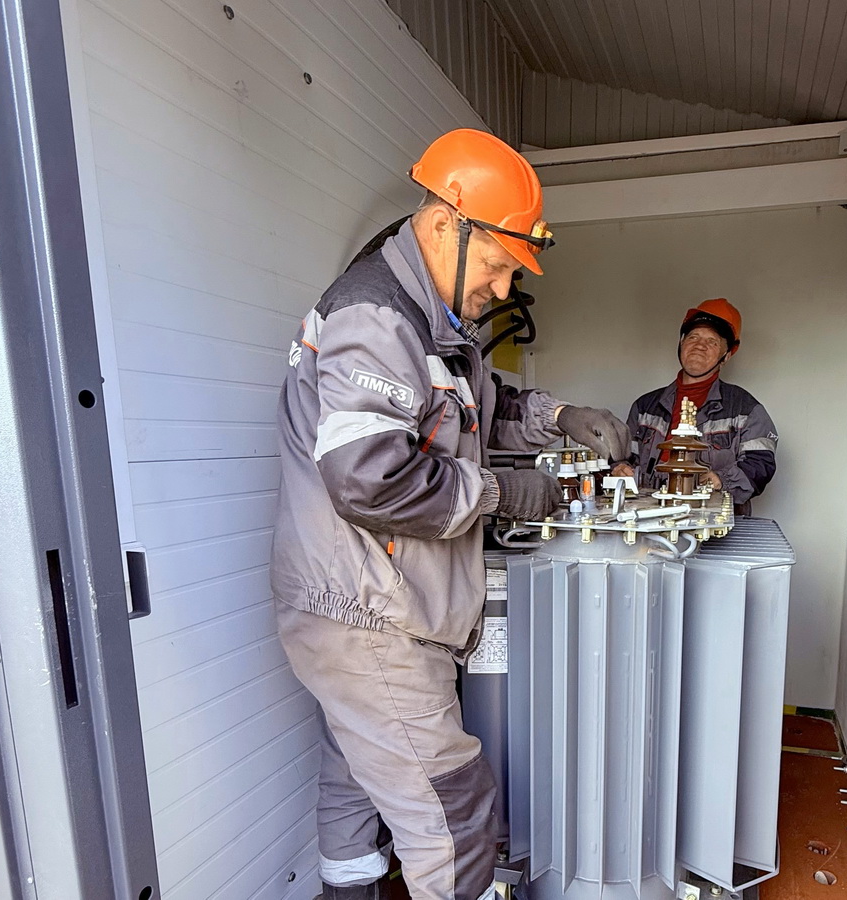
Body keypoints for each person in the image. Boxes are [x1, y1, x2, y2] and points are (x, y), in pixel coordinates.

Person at [270, 128, 629, 900]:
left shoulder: (431, 326)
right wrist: (500, 495)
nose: (502, 288)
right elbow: (368, 479)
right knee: (456, 814)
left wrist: (561, 416)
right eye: (498, 264)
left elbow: (480, 411)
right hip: (371, 618)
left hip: (358, 606)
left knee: (355, 783)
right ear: (444, 225)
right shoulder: (378, 318)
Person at [614, 299, 777, 512]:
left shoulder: (745, 409)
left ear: (726, 356)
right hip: (648, 518)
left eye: (712, 341)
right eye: (693, 337)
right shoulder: (645, 407)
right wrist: (620, 469)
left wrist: (721, 480)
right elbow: (623, 458)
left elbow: (761, 464)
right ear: (681, 343)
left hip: (713, 521)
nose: (700, 345)